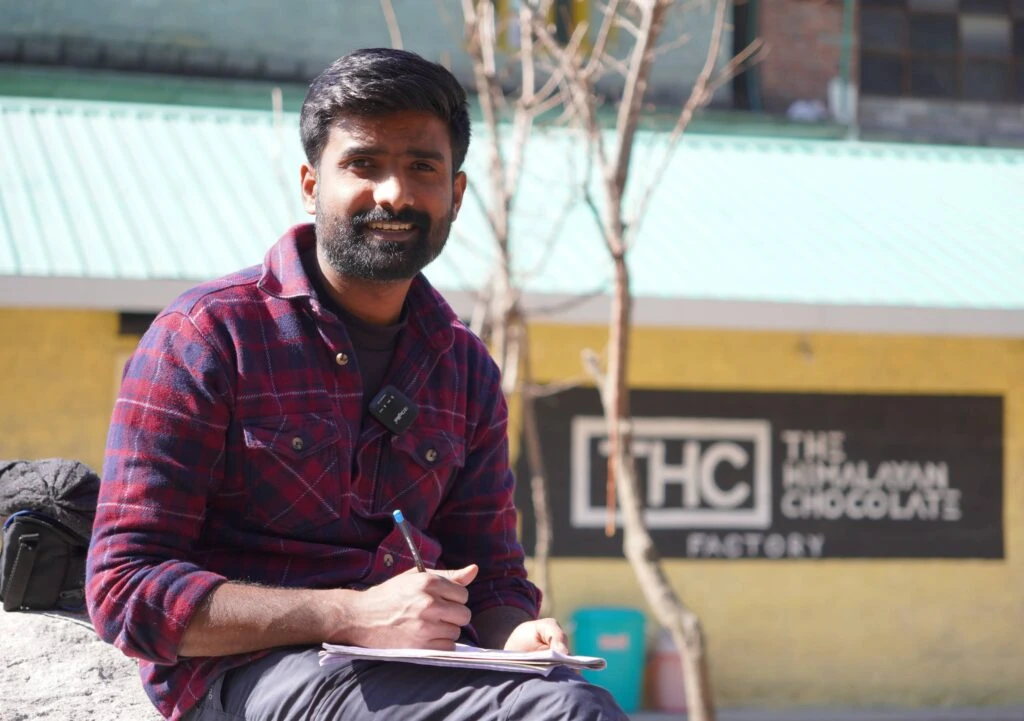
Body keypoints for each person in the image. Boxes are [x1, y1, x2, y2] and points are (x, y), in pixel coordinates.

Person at [86, 48, 628, 721]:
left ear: (455, 194)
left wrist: (512, 634)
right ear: (313, 184)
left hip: (418, 671)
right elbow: (124, 588)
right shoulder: (205, 336)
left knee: (575, 699)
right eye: (364, 164)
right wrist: (352, 613)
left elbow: (490, 572)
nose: (394, 194)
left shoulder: (465, 368)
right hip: (249, 676)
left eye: (421, 167)